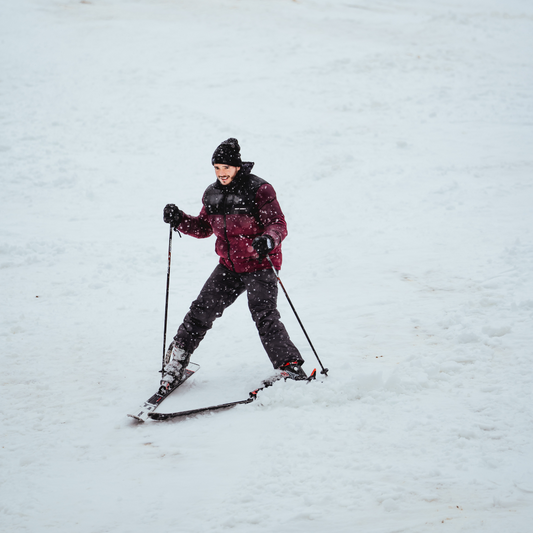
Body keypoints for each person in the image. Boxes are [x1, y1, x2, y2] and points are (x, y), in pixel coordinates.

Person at [161, 138, 306, 392]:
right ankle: (178, 362)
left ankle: (290, 367)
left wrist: (268, 240)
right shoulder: (212, 193)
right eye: (217, 168)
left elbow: (278, 225)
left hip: (260, 263)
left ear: (237, 167)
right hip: (229, 265)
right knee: (201, 310)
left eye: (225, 168)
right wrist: (180, 220)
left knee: (265, 316)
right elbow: (204, 228)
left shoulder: (260, 190)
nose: (221, 173)